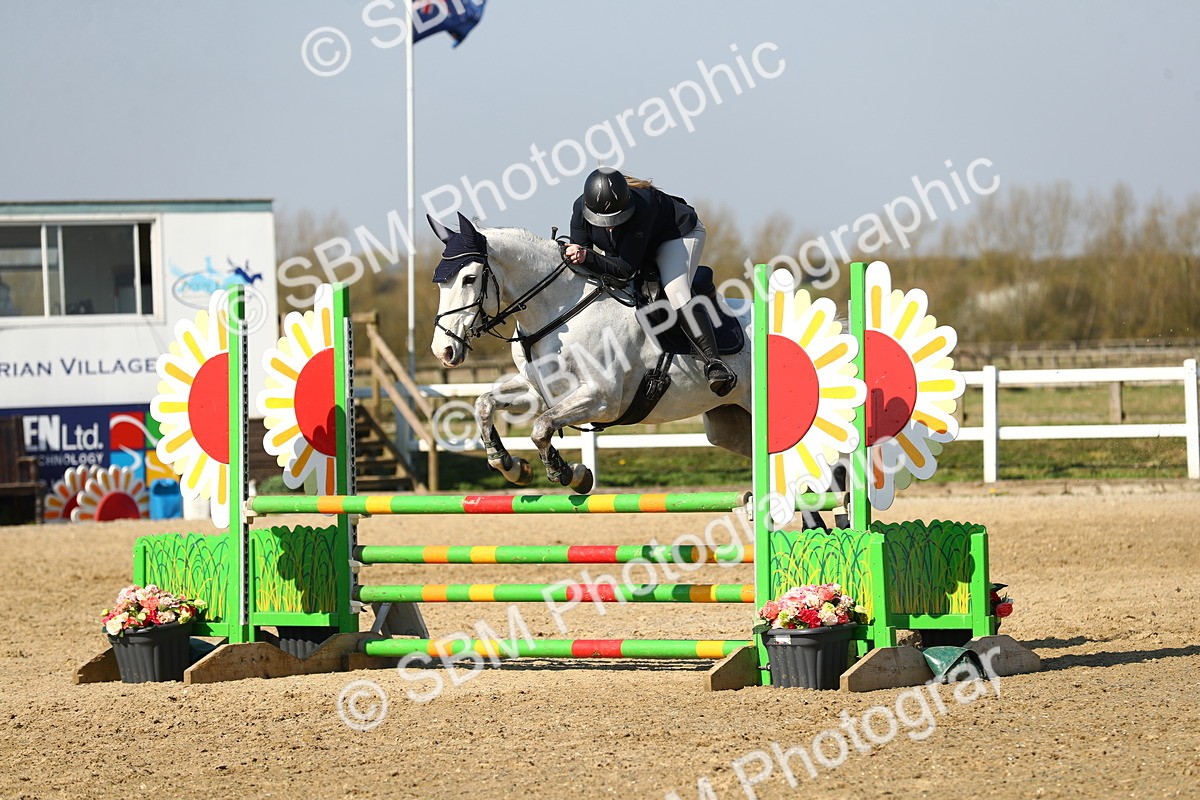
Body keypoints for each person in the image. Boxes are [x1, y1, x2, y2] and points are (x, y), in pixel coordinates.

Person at [564, 167, 736, 396]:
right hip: (635, 248)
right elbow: (585, 261)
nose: (611, 225)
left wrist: (588, 257)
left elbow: (625, 268)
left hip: (677, 235)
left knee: (676, 290)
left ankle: (714, 363)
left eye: (617, 218)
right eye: (604, 221)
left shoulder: (642, 207)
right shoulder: (580, 210)